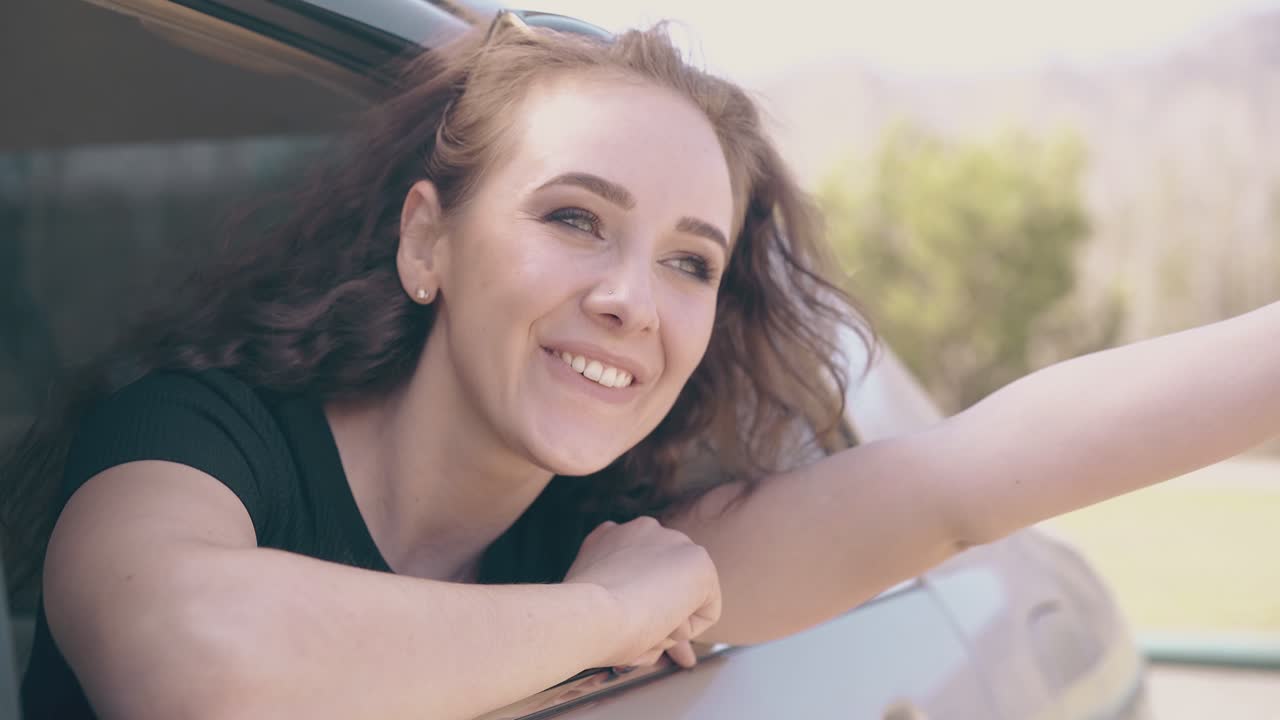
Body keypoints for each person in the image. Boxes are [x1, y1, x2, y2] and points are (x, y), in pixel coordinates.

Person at [2, 10, 1277, 720]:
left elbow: (965, 480)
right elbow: (190, 664)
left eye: (688, 262)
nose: (628, 300)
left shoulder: (629, 531)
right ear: (428, 242)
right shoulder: (188, 440)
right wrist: (604, 621)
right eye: (572, 219)